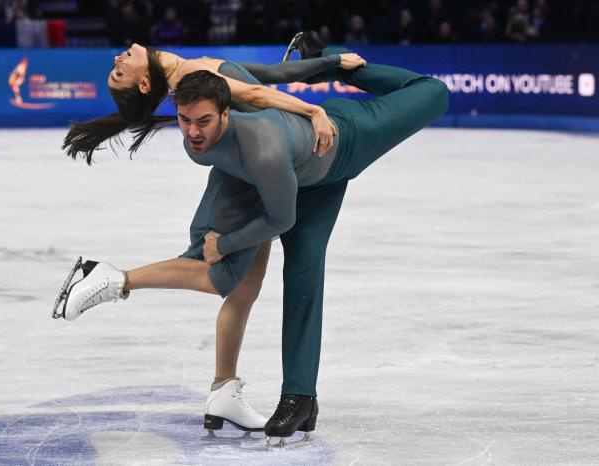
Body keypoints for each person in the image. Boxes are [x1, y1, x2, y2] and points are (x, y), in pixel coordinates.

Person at [64, 32, 449, 445]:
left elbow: (266, 78)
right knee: (434, 92)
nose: (119, 57)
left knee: (255, 281)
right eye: (119, 70)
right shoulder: (199, 88)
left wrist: (327, 66)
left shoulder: (193, 92)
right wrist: (316, 105)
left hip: (288, 166)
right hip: (317, 149)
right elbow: (260, 95)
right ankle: (114, 279)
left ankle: (233, 390)